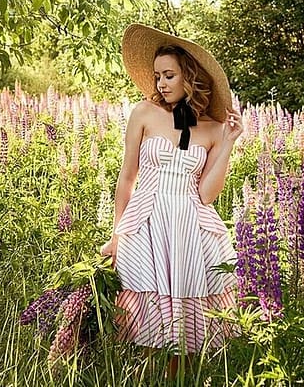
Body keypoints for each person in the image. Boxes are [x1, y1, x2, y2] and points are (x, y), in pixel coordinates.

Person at [100, 23, 243, 377]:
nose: (161, 83)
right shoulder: (144, 113)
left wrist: (228, 143)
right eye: (157, 76)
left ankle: (178, 380)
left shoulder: (211, 129)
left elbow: (207, 194)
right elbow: (127, 176)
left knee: (187, 328)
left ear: (188, 77)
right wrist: (117, 233)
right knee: (143, 316)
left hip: (188, 227)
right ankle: (145, 379)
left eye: (169, 75)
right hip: (146, 222)